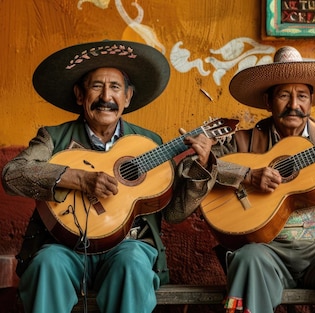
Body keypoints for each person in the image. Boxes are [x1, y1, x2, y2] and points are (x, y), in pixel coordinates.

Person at [2, 40, 217, 313]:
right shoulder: (53, 137)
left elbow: (173, 213)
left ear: (127, 98)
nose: (106, 97)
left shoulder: (149, 143)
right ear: (80, 95)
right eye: (96, 86)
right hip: (65, 246)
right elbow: (12, 174)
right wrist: (78, 178)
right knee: (47, 264)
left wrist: (202, 166)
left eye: (115, 87)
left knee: (132, 264)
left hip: (128, 247)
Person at [210, 46, 315, 313]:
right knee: (247, 258)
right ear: (268, 102)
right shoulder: (242, 141)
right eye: (283, 95)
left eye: (302, 96)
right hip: (266, 248)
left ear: (311, 101)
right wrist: (247, 175)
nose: (294, 105)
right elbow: (203, 169)